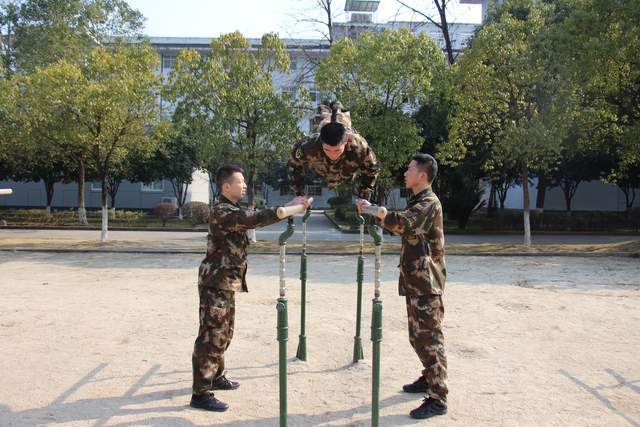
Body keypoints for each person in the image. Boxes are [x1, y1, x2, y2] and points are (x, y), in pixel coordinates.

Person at [190, 165, 309, 412]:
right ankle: (200, 393)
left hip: (225, 282)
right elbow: (253, 219)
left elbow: (250, 217)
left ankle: (216, 376)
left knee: (224, 332)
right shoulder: (222, 211)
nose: (244, 185)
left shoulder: (231, 208)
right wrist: (287, 208)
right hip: (215, 282)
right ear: (226, 187)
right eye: (240, 182)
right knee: (211, 335)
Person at [356, 153, 448, 420]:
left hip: (427, 282)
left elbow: (404, 223)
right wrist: (372, 209)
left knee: (430, 339)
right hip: (416, 281)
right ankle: (428, 377)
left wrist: (377, 211)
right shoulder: (418, 200)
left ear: (422, 175)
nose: (405, 172)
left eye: (410, 169)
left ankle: (438, 397)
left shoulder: (428, 202)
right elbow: (399, 222)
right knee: (418, 336)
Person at [287, 101, 379, 202]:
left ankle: (338, 109)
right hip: (323, 163)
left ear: (345, 142)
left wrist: (364, 197)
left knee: (342, 118)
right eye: (327, 149)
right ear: (321, 143)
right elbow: (293, 166)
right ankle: (328, 110)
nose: (332, 154)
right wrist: (299, 194)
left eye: (336, 150)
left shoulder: (358, 146)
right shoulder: (309, 145)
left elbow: (372, 169)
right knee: (323, 119)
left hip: (345, 169)